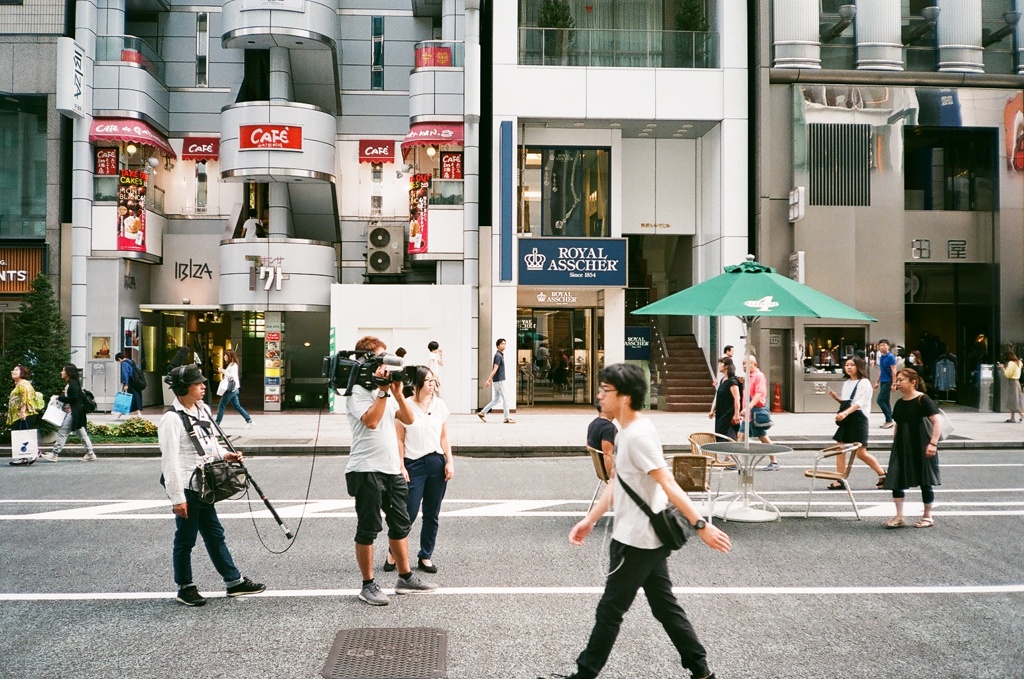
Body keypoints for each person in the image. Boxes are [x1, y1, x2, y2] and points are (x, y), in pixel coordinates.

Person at [541, 363, 731, 679]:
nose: (599, 395)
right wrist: (591, 519)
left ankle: (585, 674)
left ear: (625, 397)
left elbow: (669, 483)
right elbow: (619, 481)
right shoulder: (626, 432)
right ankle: (701, 669)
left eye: (606, 390)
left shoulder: (638, 436)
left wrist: (702, 525)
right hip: (645, 538)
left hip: (636, 540)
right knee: (664, 607)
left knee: (610, 610)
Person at [159, 363, 266, 606]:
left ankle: (233, 581)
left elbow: (209, 444)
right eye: (198, 383)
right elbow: (170, 461)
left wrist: (225, 455)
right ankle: (185, 586)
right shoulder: (172, 419)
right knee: (186, 540)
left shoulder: (203, 410)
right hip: (188, 486)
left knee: (215, 535)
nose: (203, 386)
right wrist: (177, 498)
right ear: (184, 388)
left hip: (206, 484)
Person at [346, 336, 437, 606]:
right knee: (368, 528)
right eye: (381, 358)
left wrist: (397, 393)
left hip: (391, 468)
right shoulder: (358, 392)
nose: (387, 364)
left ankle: (405, 577)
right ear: (367, 361)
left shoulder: (385, 390)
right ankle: (368, 584)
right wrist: (384, 392)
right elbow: (372, 422)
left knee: (401, 524)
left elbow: (410, 420)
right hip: (365, 469)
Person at [390, 367, 454, 574]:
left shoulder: (440, 406)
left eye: (434, 381)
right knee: (408, 512)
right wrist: (401, 465)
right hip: (413, 463)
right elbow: (399, 438)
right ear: (416, 384)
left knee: (432, 513)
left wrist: (449, 461)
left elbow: (444, 436)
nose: (432, 385)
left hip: (436, 462)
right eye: (428, 381)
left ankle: (425, 555)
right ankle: (394, 551)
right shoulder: (405, 406)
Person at [881, 368, 942, 529]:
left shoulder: (923, 399)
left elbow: (937, 421)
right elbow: (898, 425)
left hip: (922, 443)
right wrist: (896, 444)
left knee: (925, 479)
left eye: (901, 380)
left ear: (913, 382)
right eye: (898, 380)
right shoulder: (900, 403)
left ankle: (928, 516)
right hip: (902, 444)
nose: (898, 383)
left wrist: (933, 443)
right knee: (896, 478)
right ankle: (899, 516)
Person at [827, 356, 886, 489]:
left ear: (858, 367)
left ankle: (882, 474)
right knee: (840, 448)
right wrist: (837, 399)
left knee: (861, 453)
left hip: (859, 419)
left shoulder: (864, 383)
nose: (848, 367)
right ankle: (840, 479)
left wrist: (845, 413)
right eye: (847, 365)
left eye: (852, 365)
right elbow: (848, 402)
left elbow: (859, 403)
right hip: (848, 418)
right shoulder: (847, 383)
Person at [38, 365, 97, 463]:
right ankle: (90, 453)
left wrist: (59, 398)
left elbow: (73, 399)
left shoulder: (72, 385)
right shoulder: (74, 383)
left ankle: (54, 454)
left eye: (63, 371)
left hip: (73, 413)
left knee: (62, 433)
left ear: (68, 373)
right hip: (77, 412)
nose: (61, 372)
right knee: (82, 434)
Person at [739, 355, 779, 471]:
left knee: (762, 436)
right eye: (743, 363)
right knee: (740, 435)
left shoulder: (759, 376)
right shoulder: (748, 377)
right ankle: (736, 461)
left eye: (747, 363)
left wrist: (748, 407)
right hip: (748, 414)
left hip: (755, 412)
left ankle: (774, 461)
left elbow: (759, 394)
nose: (745, 366)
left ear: (755, 364)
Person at [7, 365, 39, 466]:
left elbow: (25, 397)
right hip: (20, 414)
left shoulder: (23, 384)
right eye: (13, 369)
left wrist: (22, 411)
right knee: (20, 435)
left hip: (24, 414)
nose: (13, 371)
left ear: (22, 372)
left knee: (23, 434)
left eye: (16, 370)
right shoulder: (20, 384)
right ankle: (22, 457)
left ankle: (33, 452)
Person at [478, 338, 514, 423]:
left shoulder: (500, 355)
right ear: (498, 346)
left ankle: (482, 412)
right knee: (506, 399)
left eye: (505, 344)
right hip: (500, 381)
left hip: (498, 380)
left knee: (497, 399)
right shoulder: (498, 355)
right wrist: (489, 380)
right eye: (502, 344)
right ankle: (507, 418)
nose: (504, 345)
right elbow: (495, 369)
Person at [215, 350, 253, 428]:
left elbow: (231, 376)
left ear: (230, 356)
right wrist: (224, 371)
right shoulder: (232, 365)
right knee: (237, 406)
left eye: (225, 355)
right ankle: (249, 420)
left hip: (231, 389)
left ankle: (217, 423)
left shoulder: (233, 365)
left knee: (221, 405)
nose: (224, 357)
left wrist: (223, 371)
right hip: (234, 388)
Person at [708, 357, 740, 441]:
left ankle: (731, 454)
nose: (719, 366)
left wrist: (736, 414)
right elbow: (718, 395)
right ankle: (729, 454)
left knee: (728, 436)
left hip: (729, 413)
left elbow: (737, 398)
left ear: (726, 366)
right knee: (720, 434)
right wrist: (712, 409)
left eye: (720, 364)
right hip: (721, 412)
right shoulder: (722, 380)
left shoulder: (732, 381)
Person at [586, 402, 617, 478]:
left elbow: (587, 444)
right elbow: (607, 455)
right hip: (611, 472)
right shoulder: (609, 428)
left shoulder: (592, 424)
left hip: (601, 471)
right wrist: (612, 479)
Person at [873, 339, 897, 429]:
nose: (882, 347)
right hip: (883, 381)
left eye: (884, 345)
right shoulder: (882, 357)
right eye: (881, 345)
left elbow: (894, 371)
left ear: (888, 346)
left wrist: (894, 384)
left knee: (880, 400)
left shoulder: (891, 357)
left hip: (888, 381)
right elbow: (880, 370)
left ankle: (889, 420)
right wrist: (876, 382)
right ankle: (889, 419)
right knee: (886, 401)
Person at [997, 350, 1024, 423]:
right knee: (1013, 399)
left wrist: (1003, 368)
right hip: (1017, 382)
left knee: (1013, 400)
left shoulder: (1011, 363)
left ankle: (1021, 414)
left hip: (1013, 382)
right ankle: (1012, 418)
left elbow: (1008, 374)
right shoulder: (1019, 362)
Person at [115, 352, 143, 417]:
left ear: (119, 359)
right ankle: (122, 412)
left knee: (129, 397)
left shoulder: (124, 363)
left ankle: (136, 413)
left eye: (118, 361)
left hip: (130, 382)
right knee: (133, 396)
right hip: (136, 382)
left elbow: (125, 374)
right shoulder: (131, 361)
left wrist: (126, 384)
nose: (119, 363)